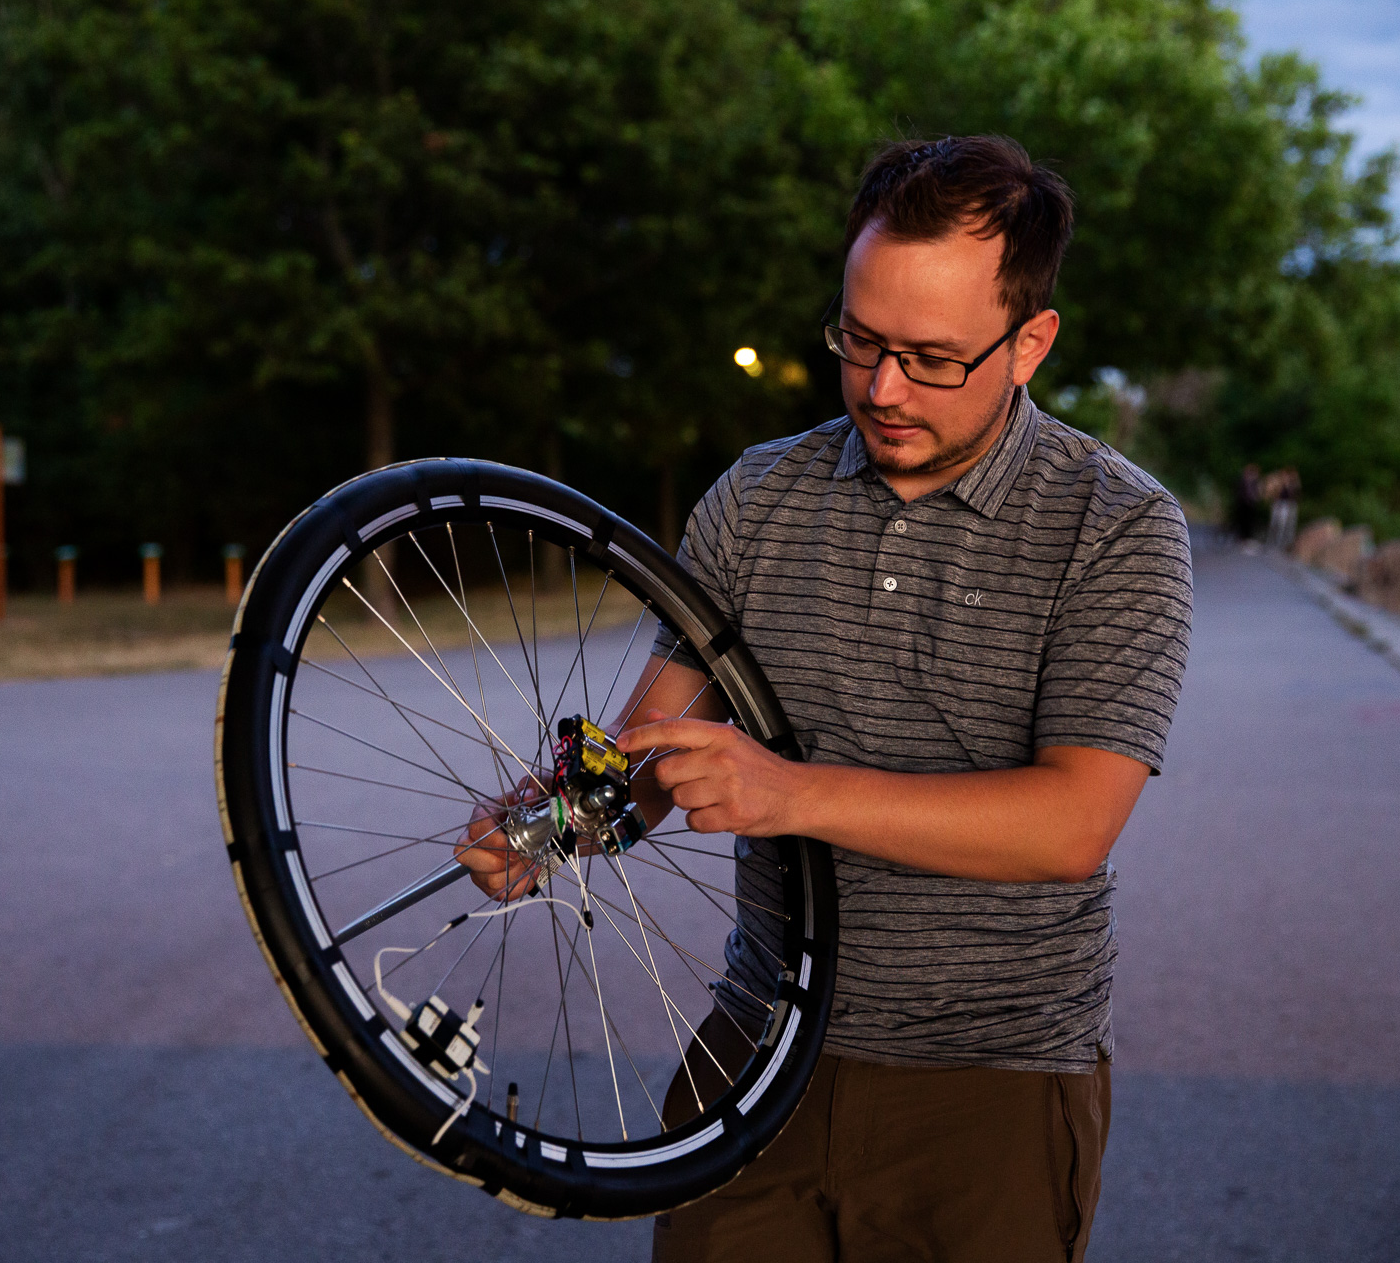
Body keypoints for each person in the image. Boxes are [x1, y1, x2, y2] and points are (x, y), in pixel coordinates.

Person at [459, 135, 1194, 1262]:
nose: (883, 388)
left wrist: (788, 790)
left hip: (992, 1083)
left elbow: (1070, 824)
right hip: (757, 1053)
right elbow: (651, 755)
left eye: (933, 357)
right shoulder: (758, 497)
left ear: (1031, 341)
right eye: (859, 339)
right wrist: (545, 825)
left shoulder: (1118, 527)